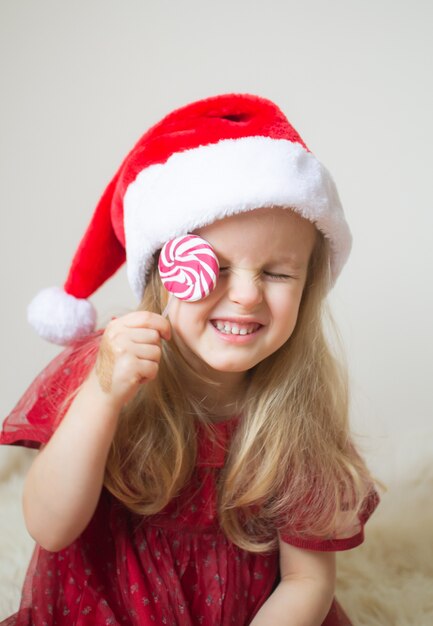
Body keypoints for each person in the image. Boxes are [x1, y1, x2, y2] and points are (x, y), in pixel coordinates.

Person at [1, 93, 379, 626]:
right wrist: (102, 397)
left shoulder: (299, 415)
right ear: (165, 274)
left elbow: (307, 581)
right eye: (217, 266)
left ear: (308, 287)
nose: (246, 294)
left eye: (275, 273)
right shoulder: (105, 370)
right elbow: (48, 526)